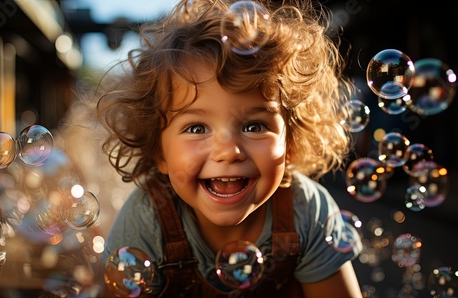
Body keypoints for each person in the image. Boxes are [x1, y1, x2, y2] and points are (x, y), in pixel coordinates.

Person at [97, 0, 363, 297]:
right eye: (197, 128)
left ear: (290, 143)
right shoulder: (145, 219)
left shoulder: (307, 211)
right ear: (159, 152)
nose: (229, 151)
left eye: (254, 126)